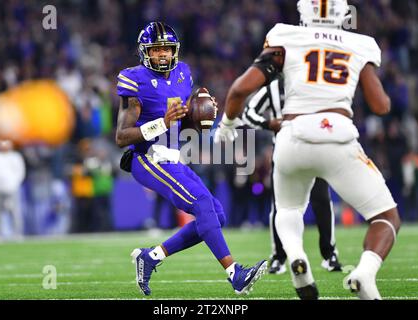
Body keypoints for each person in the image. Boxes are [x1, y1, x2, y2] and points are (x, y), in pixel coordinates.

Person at [215, 0, 401, 300]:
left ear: (305, 12)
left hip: (292, 137)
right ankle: (365, 273)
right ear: (344, 13)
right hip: (338, 137)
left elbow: (238, 89)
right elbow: (381, 106)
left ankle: (297, 256)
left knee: (287, 209)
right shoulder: (359, 43)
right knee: (386, 217)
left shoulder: (286, 37)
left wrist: (226, 125)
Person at [115, 22, 267, 296]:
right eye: (157, 49)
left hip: (173, 156)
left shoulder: (183, 74)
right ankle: (235, 274)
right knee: (202, 204)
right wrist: (161, 123)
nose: (162, 55)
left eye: (167, 49)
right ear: (144, 52)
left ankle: (151, 257)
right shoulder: (134, 79)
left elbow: (183, 124)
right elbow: (122, 137)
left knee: (216, 214)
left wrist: (201, 117)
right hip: (147, 158)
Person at [242, 79, 342, 274]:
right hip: (284, 153)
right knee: (279, 205)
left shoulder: (312, 81)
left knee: (321, 200)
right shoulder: (273, 89)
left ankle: (329, 254)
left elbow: (331, 110)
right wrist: (268, 123)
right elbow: (249, 112)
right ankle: (279, 256)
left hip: (314, 150)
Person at [0, 139, 26, 239]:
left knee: (15, 211)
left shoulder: (15, 157)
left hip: (12, 188)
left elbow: (20, 172)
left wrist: (15, 184)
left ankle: (17, 233)